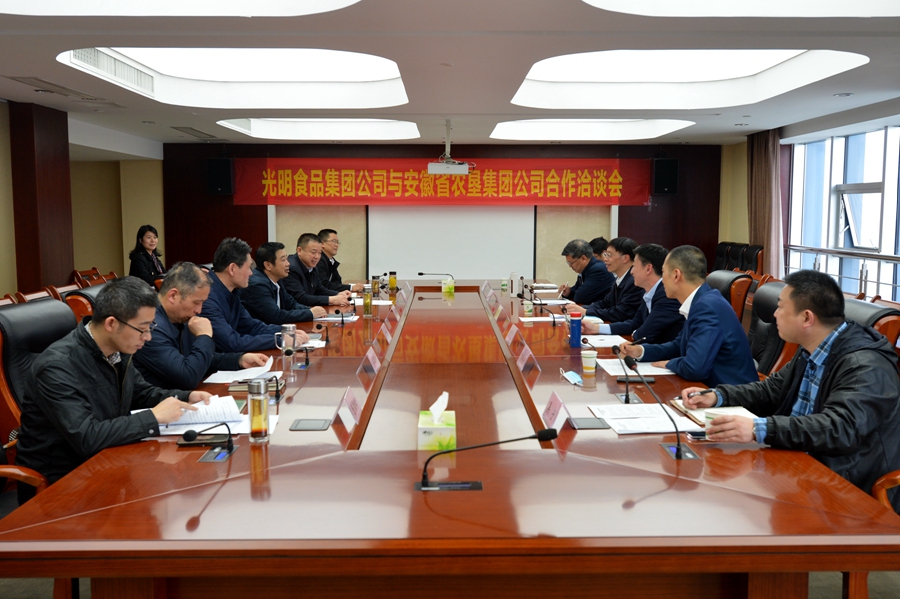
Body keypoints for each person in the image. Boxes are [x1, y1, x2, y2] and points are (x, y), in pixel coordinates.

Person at [682, 270, 900, 510]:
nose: (775, 314)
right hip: (796, 463)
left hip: (846, 487)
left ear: (806, 318)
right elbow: (772, 390)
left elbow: (839, 428)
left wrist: (758, 428)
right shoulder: (812, 348)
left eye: (780, 307)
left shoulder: (864, 365)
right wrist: (719, 396)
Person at [15, 276, 211, 504]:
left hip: (106, 462)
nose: (148, 337)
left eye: (151, 327)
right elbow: (86, 436)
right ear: (111, 324)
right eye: (142, 329)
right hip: (60, 487)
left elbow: (140, 392)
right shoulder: (56, 367)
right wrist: (153, 417)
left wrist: (186, 397)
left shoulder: (118, 350)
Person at [621, 245, 757, 386]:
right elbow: (678, 346)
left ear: (676, 275)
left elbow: (694, 368)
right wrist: (641, 351)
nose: (662, 280)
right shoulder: (700, 301)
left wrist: (668, 364)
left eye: (663, 272)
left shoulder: (706, 307)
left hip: (730, 393)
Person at [134, 262, 268, 389]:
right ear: (173, 295)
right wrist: (204, 336)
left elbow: (200, 358)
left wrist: (239, 360)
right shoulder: (150, 329)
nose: (199, 310)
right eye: (196, 303)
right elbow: (187, 377)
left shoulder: (181, 318)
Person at [200, 237, 301, 352]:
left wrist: (285, 332)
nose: (251, 273)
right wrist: (280, 340)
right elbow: (232, 342)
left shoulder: (232, 292)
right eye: (248, 268)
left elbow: (251, 326)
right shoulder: (206, 298)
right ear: (232, 269)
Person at [584, 243, 683, 344]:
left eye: (634, 266)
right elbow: (635, 323)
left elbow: (643, 334)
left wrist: (635, 333)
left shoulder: (667, 295)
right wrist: (596, 328)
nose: (631, 272)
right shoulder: (650, 291)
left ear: (648, 269)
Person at [242, 241, 328, 324]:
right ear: (268, 265)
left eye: (287, 259)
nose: (288, 264)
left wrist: (310, 310)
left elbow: (291, 304)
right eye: (283, 260)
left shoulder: (277, 279)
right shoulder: (257, 286)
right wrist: (310, 313)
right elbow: (276, 316)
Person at [283, 233, 352, 308]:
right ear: (299, 250)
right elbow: (300, 298)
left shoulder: (312, 267)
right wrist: (331, 300)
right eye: (313, 252)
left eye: (320, 253)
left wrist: (338, 294)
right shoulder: (291, 268)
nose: (317, 257)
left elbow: (319, 289)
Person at [585, 237, 644, 322]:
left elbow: (621, 313)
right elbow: (605, 303)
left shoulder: (635, 281)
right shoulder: (619, 279)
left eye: (609, 255)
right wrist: (581, 309)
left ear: (625, 258)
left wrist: (587, 311)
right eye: (605, 254)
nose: (605, 259)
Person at [559, 239, 614, 305]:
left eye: (571, 263)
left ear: (583, 258)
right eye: (568, 263)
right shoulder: (586, 269)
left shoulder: (598, 270)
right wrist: (569, 292)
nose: (570, 266)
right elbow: (577, 289)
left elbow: (580, 296)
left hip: (603, 309)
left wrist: (574, 293)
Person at [316, 229, 363, 293]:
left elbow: (338, 281)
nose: (336, 245)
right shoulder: (318, 260)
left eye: (337, 242)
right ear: (322, 244)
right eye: (334, 241)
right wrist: (351, 287)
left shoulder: (331, 261)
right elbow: (324, 284)